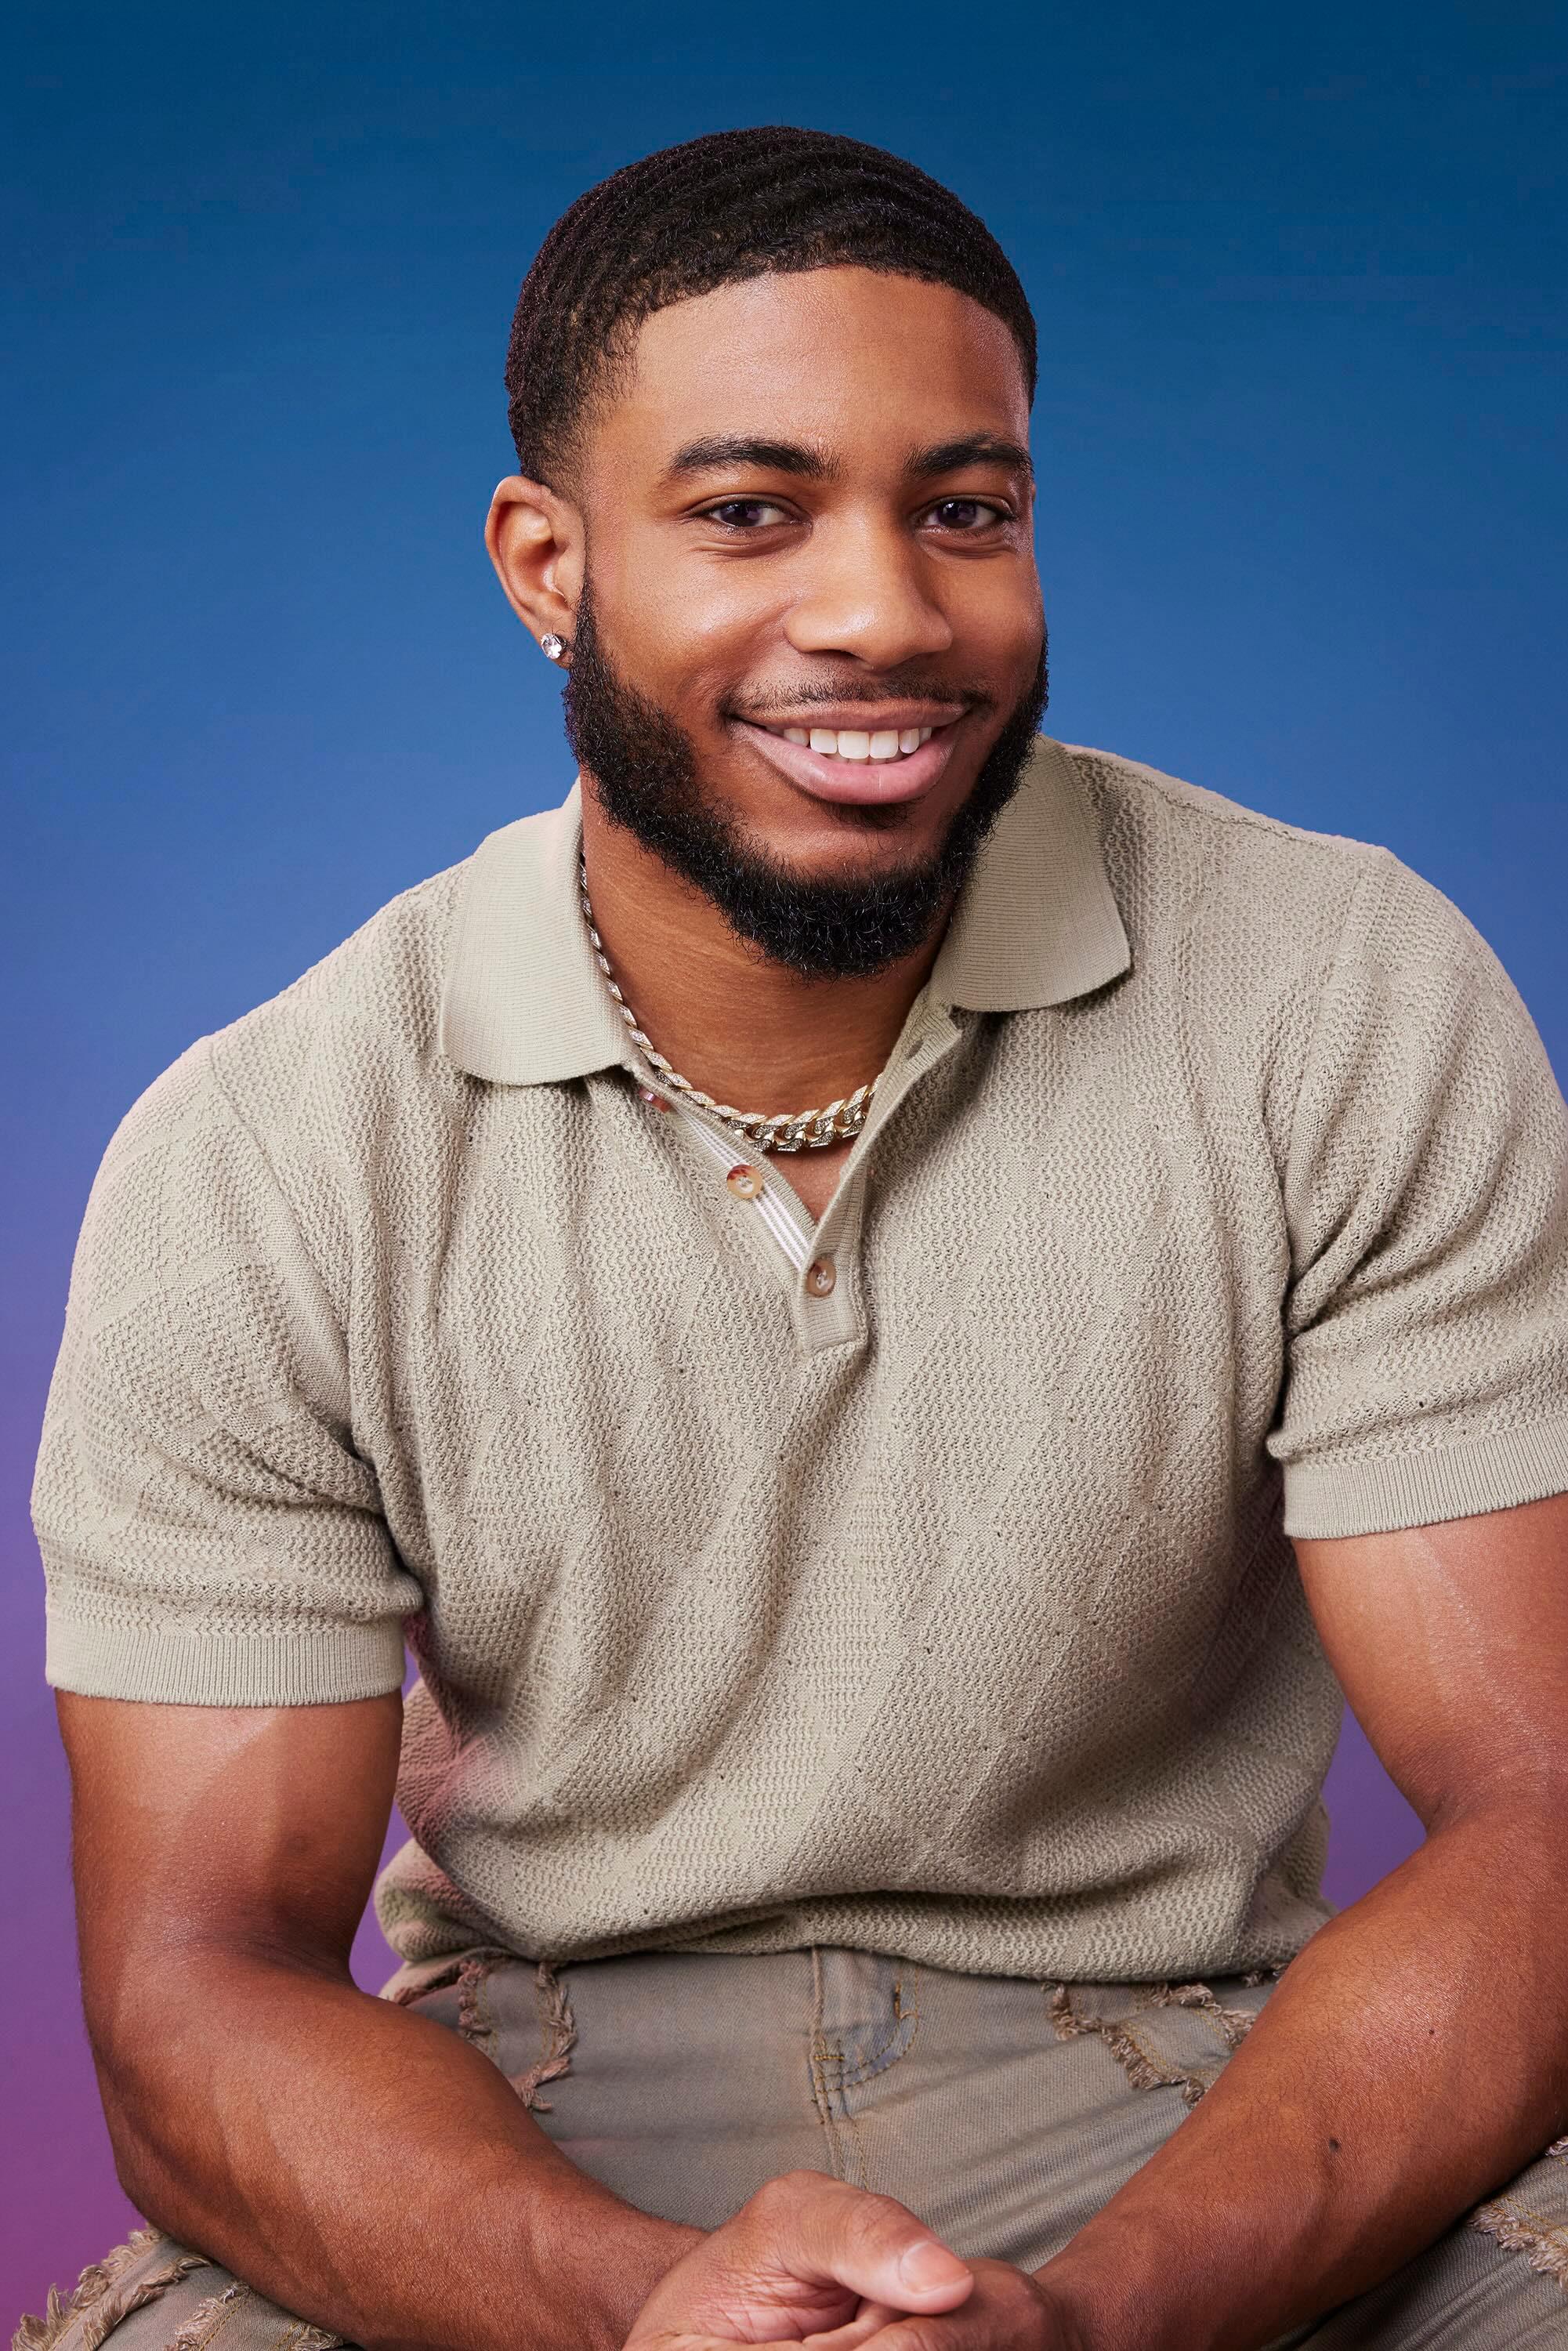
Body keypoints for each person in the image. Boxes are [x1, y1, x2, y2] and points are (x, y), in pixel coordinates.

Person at [20, 125, 1568, 2351]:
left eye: (966, 509)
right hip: (525, 2137)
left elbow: (1537, 1823)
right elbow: (197, 1994)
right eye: (751, 512)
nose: (882, 610)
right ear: (545, 565)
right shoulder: (260, 1154)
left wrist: (1105, 2319)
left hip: (1206, 2097)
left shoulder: (1337, 992)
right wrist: (642, 2310)